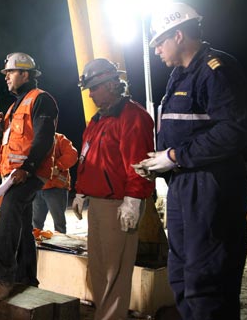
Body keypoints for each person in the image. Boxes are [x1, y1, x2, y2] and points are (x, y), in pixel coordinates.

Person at [136, 2, 247, 320]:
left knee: (208, 278)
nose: (157, 49)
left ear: (178, 35)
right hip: (185, 183)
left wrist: (174, 156)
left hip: (211, 186)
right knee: (182, 275)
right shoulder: (179, 76)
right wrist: (161, 163)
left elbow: (235, 130)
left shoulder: (217, 69)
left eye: (159, 41)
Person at [72, 58, 155, 320]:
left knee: (114, 271)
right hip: (98, 203)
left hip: (118, 204)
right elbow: (89, 159)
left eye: (94, 88)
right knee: (98, 267)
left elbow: (138, 162)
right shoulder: (98, 120)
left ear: (110, 84)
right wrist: (81, 190)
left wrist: (133, 199)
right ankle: (103, 315)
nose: (91, 94)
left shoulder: (133, 116)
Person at [0, 52, 58, 301]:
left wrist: (27, 168)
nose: (6, 77)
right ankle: (27, 278)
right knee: (24, 226)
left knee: (9, 214)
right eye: (5, 73)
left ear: (24, 74)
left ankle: (3, 277)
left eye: (10, 73)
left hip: (29, 172)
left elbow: (43, 137)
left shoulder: (41, 100)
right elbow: (9, 143)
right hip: (14, 175)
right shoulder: (14, 107)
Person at [32, 132, 78, 233]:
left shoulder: (59, 138)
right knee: (36, 222)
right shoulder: (32, 137)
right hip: (37, 186)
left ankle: (59, 245)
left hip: (55, 187)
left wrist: (58, 166)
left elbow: (72, 154)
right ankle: (34, 245)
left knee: (58, 222)